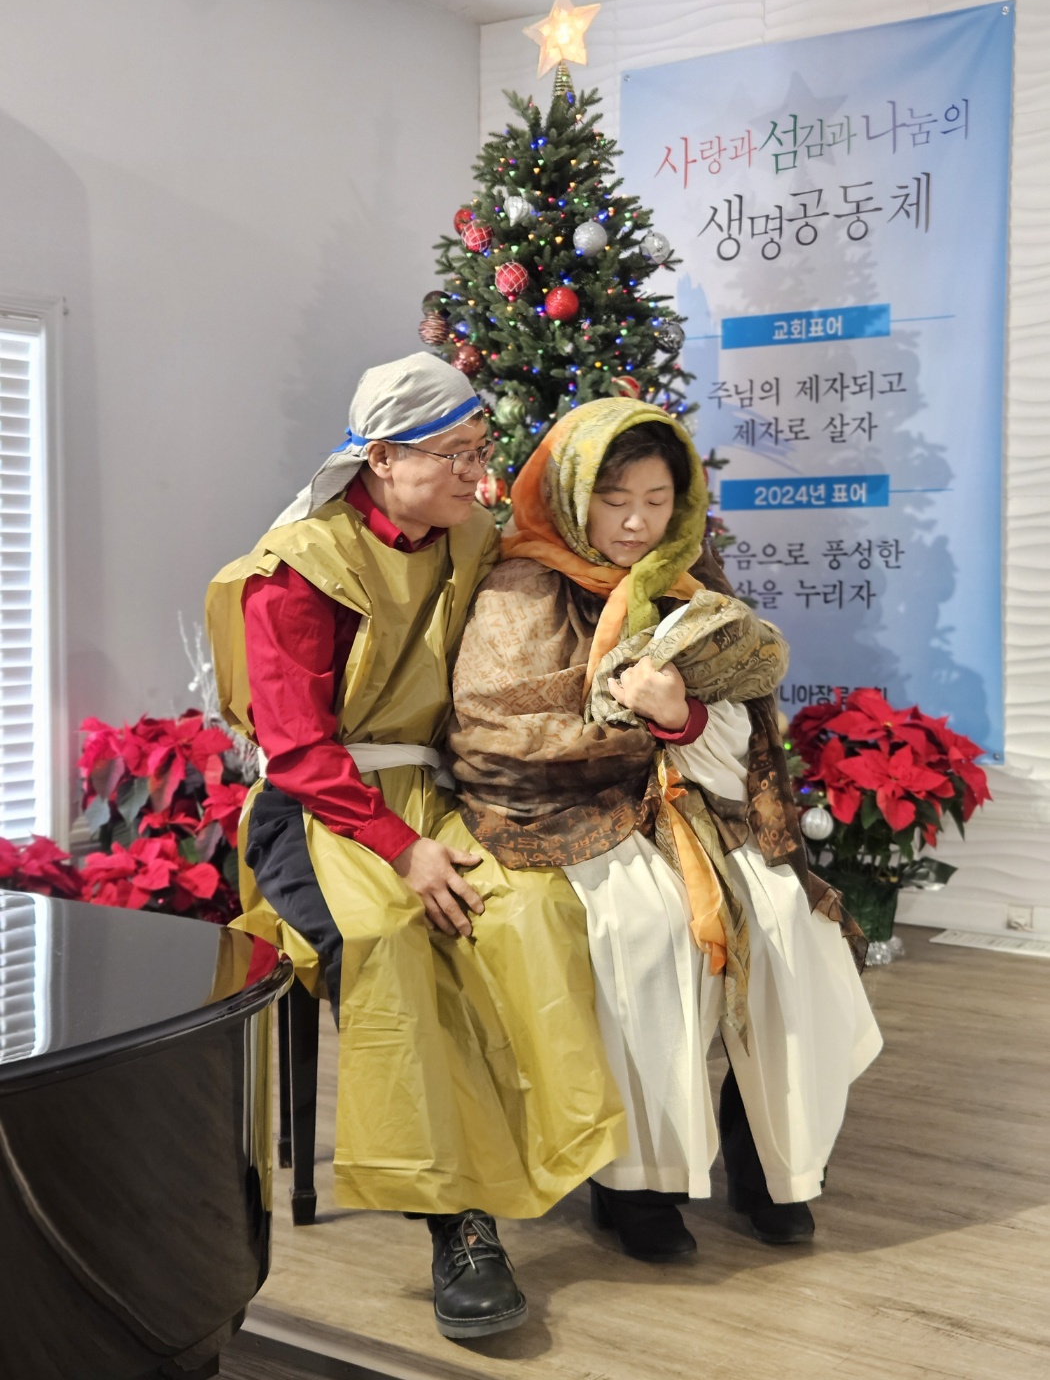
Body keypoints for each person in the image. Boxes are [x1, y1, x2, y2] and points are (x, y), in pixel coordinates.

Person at [205, 354, 626, 1339]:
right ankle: (458, 1224)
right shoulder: (299, 569)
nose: (478, 475)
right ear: (383, 457)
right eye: (456, 455)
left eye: (482, 451)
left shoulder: (471, 537)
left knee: (535, 910)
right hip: (321, 810)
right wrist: (403, 850)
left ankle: (573, 1157)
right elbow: (298, 749)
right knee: (394, 943)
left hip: (440, 788)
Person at [449, 396, 883, 1260]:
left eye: (656, 499)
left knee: (791, 923)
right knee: (647, 930)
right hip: (571, 810)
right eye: (614, 501)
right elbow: (493, 735)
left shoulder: (692, 576)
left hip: (696, 798)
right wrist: (637, 729)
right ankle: (636, 1184)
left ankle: (771, 1161)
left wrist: (679, 718)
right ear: (574, 497)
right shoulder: (520, 586)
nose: (636, 522)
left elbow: (743, 718)